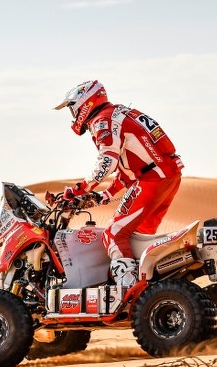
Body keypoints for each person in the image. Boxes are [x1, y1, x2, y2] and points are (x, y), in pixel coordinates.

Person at [53, 80, 183, 288]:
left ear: (84, 103)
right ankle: (151, 287)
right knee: (139, 238)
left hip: (152, 179)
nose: (73, 115)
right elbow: (128, 167)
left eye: (73, 108)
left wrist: (82, 188)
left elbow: (107, 161)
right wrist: (104, 195)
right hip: (166, 176)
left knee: (113, 234)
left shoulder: (102, 121)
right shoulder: (119, 113)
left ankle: (127, 289)